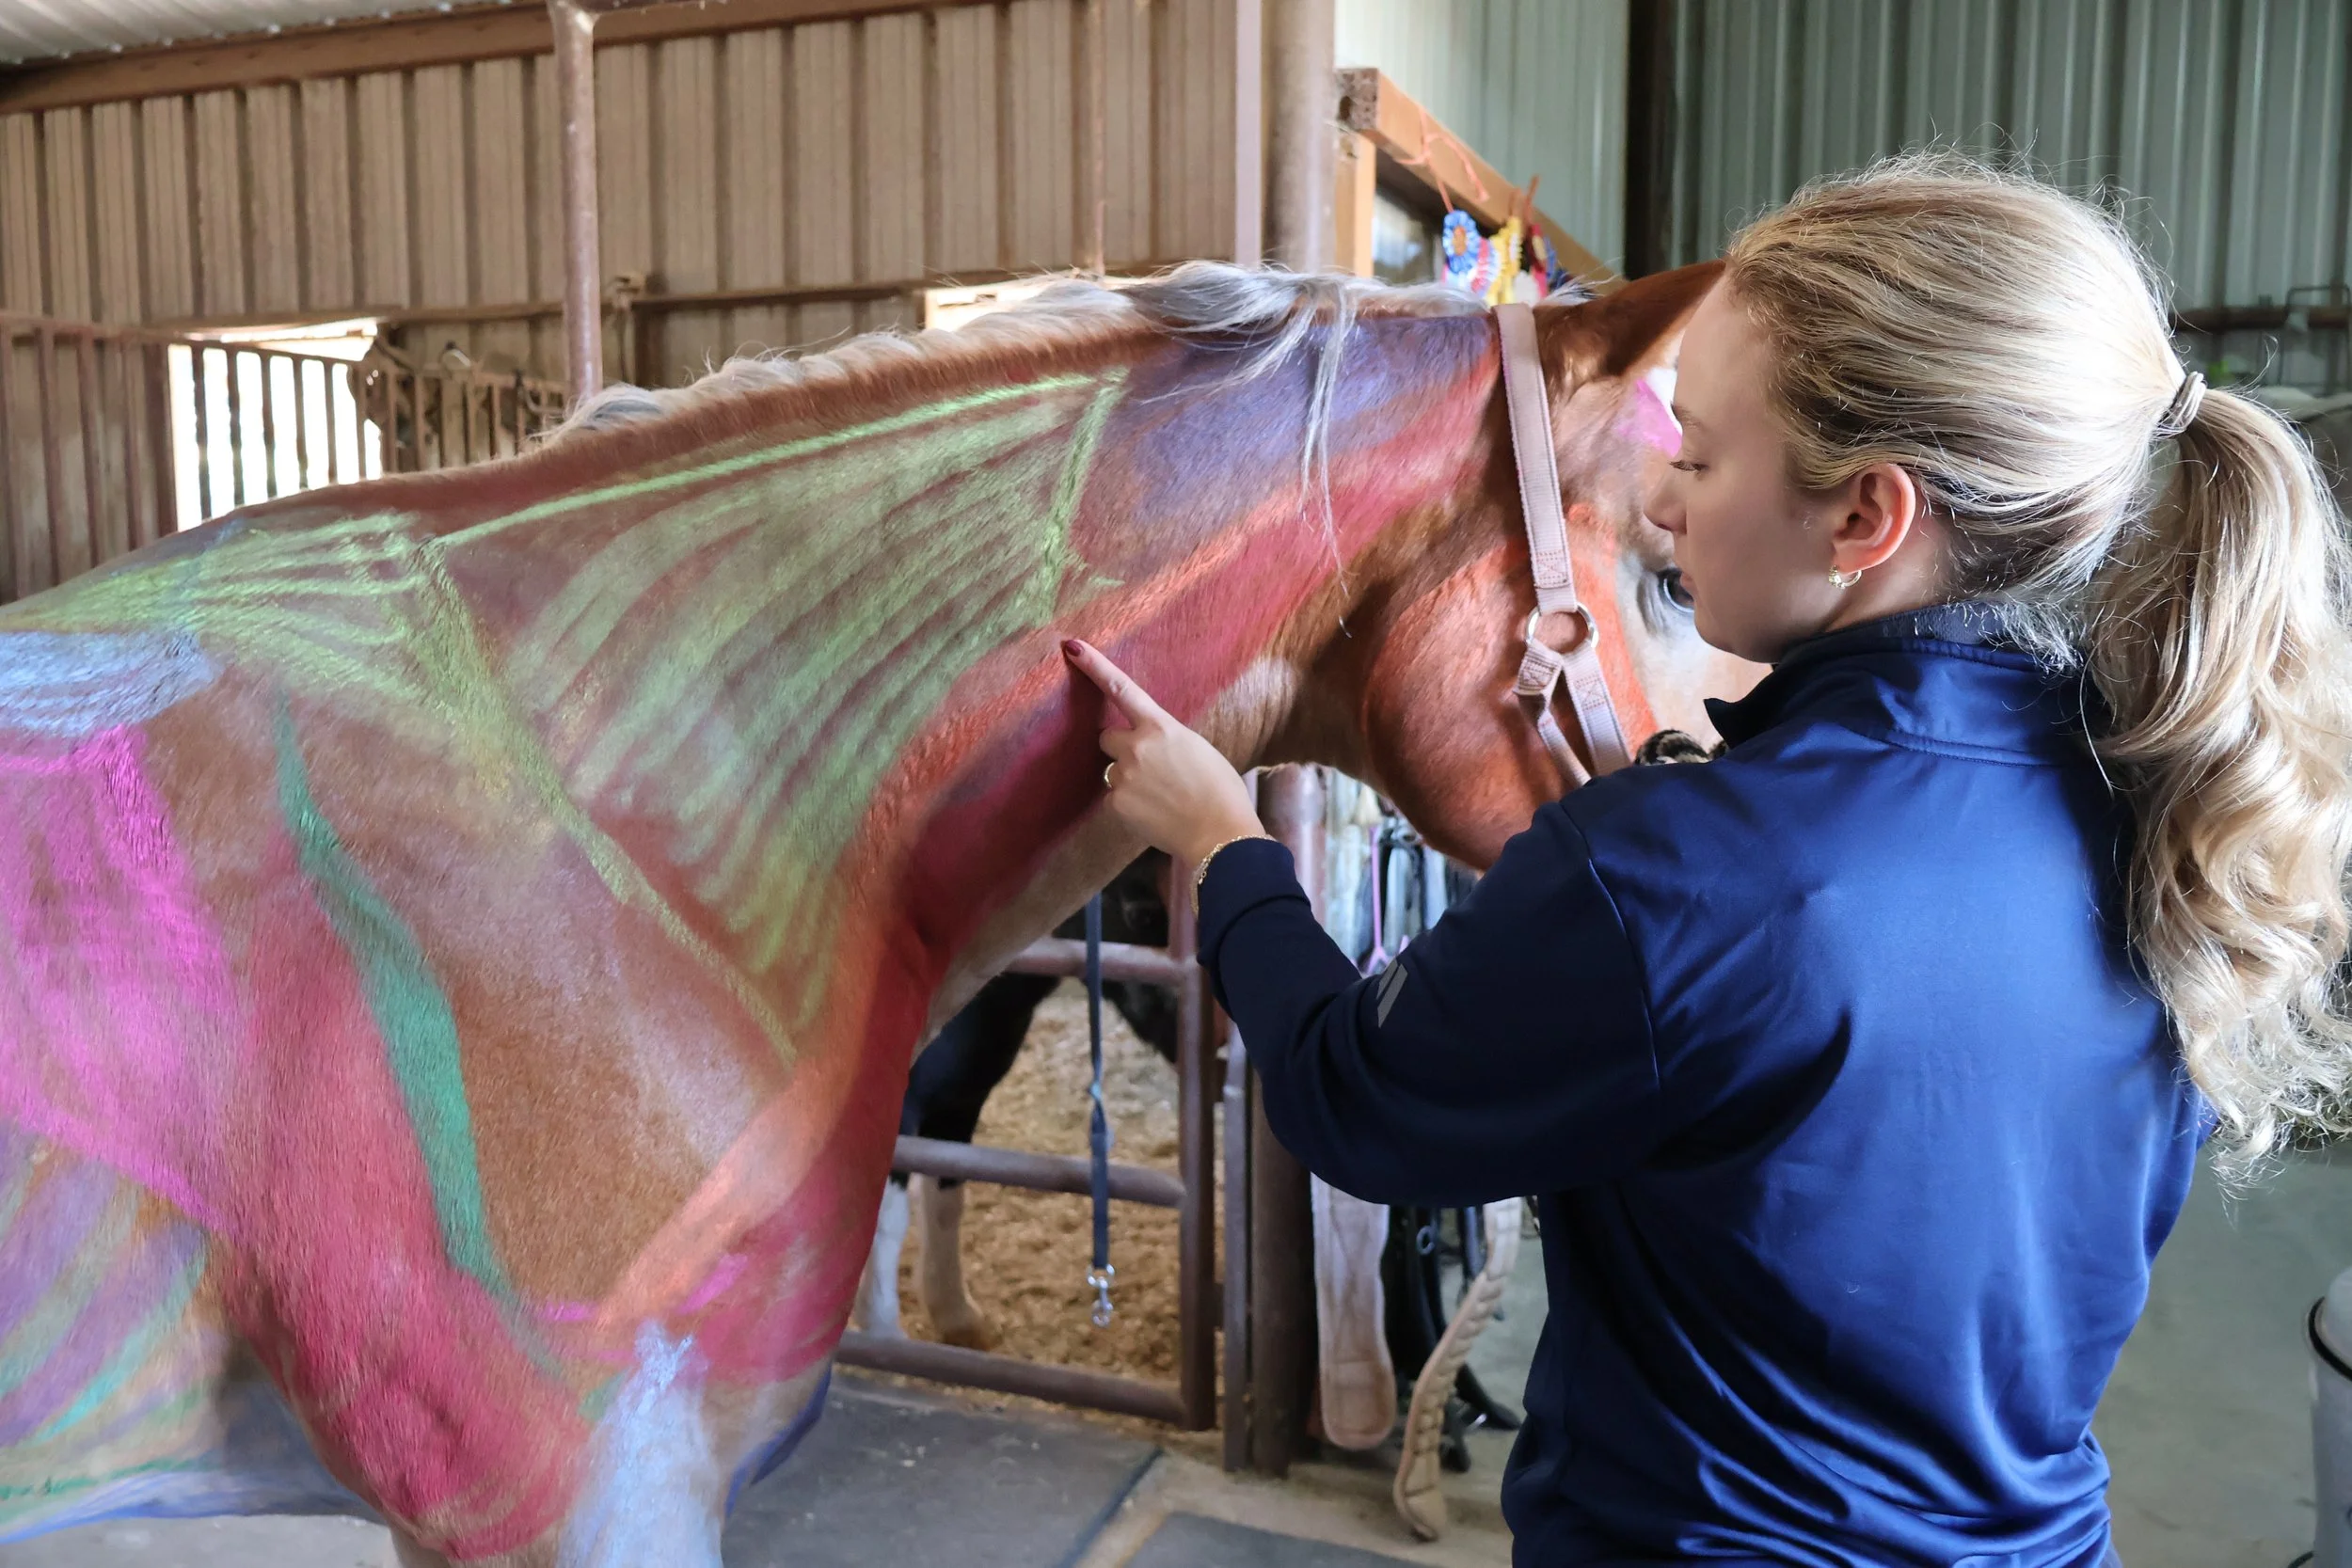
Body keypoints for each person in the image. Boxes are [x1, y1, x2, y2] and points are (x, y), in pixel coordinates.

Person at [1059, 155, 2352, 1567]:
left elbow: (1357, 1104)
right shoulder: (2178, 814)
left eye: (1700, 455)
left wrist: (1222, 842)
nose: (1662, 504)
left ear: (1867, 517)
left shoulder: (1679, 869)